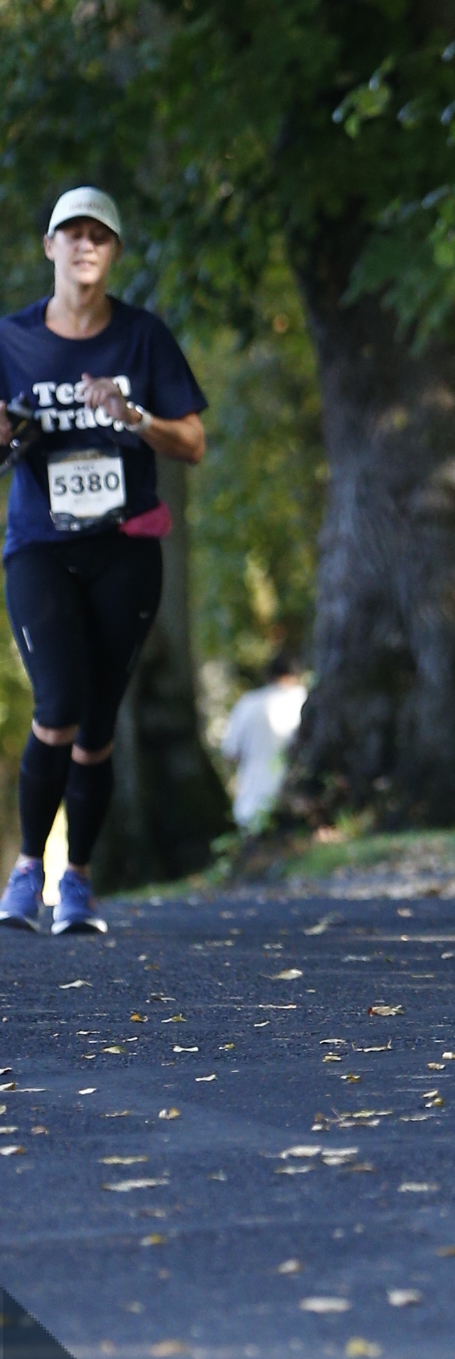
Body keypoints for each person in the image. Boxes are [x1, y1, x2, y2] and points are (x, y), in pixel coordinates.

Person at [0, 189, 207, 936]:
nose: (85, 245)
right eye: (72, 233)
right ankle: (27, 871)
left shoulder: (142, 337)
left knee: (96, 723)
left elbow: (193, 442)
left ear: (114, 251)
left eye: (100, 235)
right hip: (41, 548)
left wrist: (135, 417)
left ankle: (78, 882)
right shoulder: (11, 340)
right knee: (57, 704)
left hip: (126, 550)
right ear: (49, 246)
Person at [217, 652, 308, 834]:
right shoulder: (304, 700)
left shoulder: (247, 704)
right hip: (297, 803)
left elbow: (229, 753)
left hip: (251, 807)